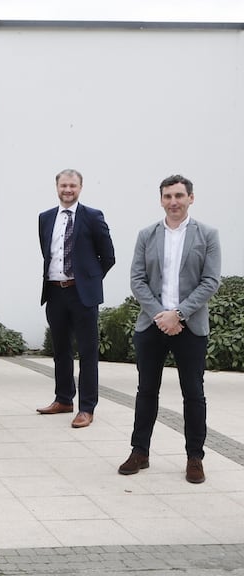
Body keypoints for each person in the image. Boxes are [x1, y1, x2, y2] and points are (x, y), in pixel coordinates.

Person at [119, 175, 221, 484]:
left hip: (191, 326)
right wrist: (160, 315)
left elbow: (211, 281)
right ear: (161, 200)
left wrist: (178, 314)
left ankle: (194, 457)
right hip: (152, 325)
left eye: (179, 195)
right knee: (146, 391)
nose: (173, 202)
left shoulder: (208, 235)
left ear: (191, 198)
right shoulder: (146, 235)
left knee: (193, 393)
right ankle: (140, 451)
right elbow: (137, 279)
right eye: (167, 196)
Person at [37, 169, 116, 428]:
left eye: (72, 185)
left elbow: (108, 256)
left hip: (82, 295)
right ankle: (63, 399)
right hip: (55, 291)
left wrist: (89, 280)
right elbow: (47, 252)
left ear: (80, 188)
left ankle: (87, 407)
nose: (68, 190)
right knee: (61, 350)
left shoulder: (93, 216)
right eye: (63, 185)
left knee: (88, 352)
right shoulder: (45, 218)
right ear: (56, 187)